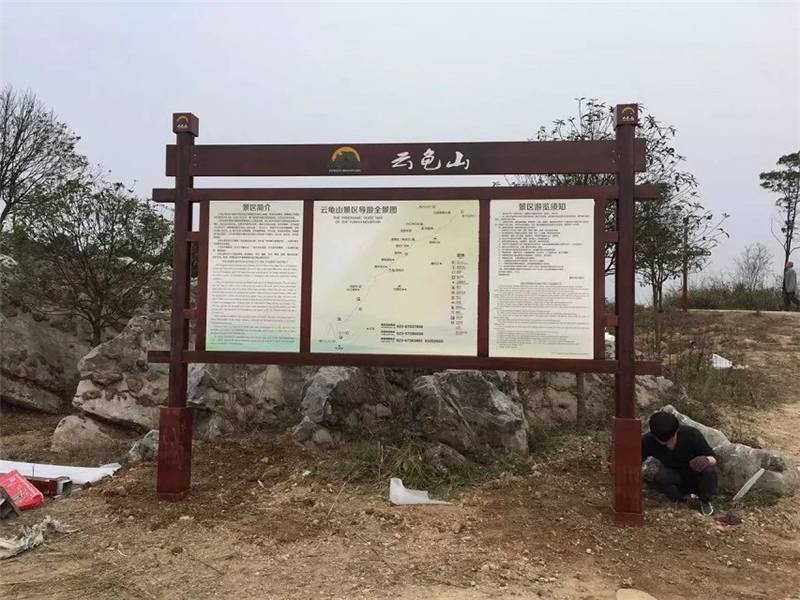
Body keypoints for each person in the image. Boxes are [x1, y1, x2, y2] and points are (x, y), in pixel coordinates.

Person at [642, 411, 718, 516]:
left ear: (677, 430)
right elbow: (636, 459)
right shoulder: (648, 441)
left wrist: (705, 460)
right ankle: (683, 498)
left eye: (671, 439)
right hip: (675, 475)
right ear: (654, 436)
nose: (668, 444)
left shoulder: (691, 434)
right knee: (661, 477)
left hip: (696, 474)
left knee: (709, 471)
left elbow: (713, 458)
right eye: (663, 442)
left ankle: (705, 500)